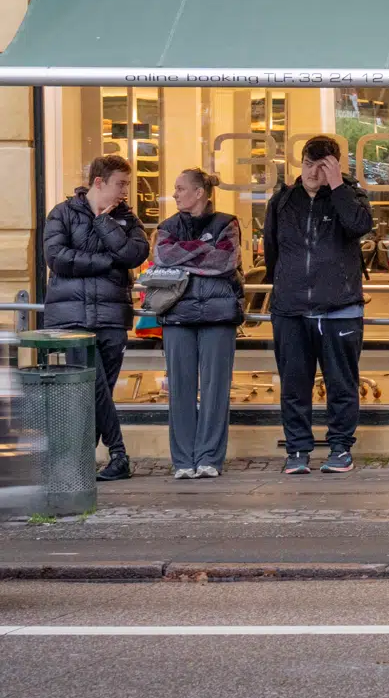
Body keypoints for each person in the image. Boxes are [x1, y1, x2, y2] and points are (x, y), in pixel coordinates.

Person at [264, 136, 374, 475]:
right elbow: (271, 252)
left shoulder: (350, 195)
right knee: (294, 385)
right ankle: (297, 450)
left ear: (335, 165)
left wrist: (338, 184)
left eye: (322, 165)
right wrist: (284, 287)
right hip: (291, 309)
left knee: (341, 385)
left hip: (339, 308)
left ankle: (340, 448)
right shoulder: (283, 201)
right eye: (309, 164)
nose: (313, 172)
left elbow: (359, 226)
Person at [43, 154, 150, 482]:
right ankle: (118, 454)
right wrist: (106, 262)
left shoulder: (126, 219)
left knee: (95, 391)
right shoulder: (61, 214)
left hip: (112, 317)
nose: (124, 191)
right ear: (99, 182)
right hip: (72, 318)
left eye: (127, 185)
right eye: (120, 184)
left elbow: (135, 255)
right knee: (94, 387)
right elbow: (56, 258)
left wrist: (104, 222)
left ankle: (79, 461)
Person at [154, 169, 244, 479]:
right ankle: (182, 461)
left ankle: (209, 459)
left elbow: (225, 262)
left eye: (180, 188)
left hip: (219, 314)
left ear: (200, 193)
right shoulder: (167, 227)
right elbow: (163, 257)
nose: (175, 194)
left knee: (215, 388)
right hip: (177, 314)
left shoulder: (227, 223)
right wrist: (206, 248)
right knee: (179, 388)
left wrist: (186, 258)